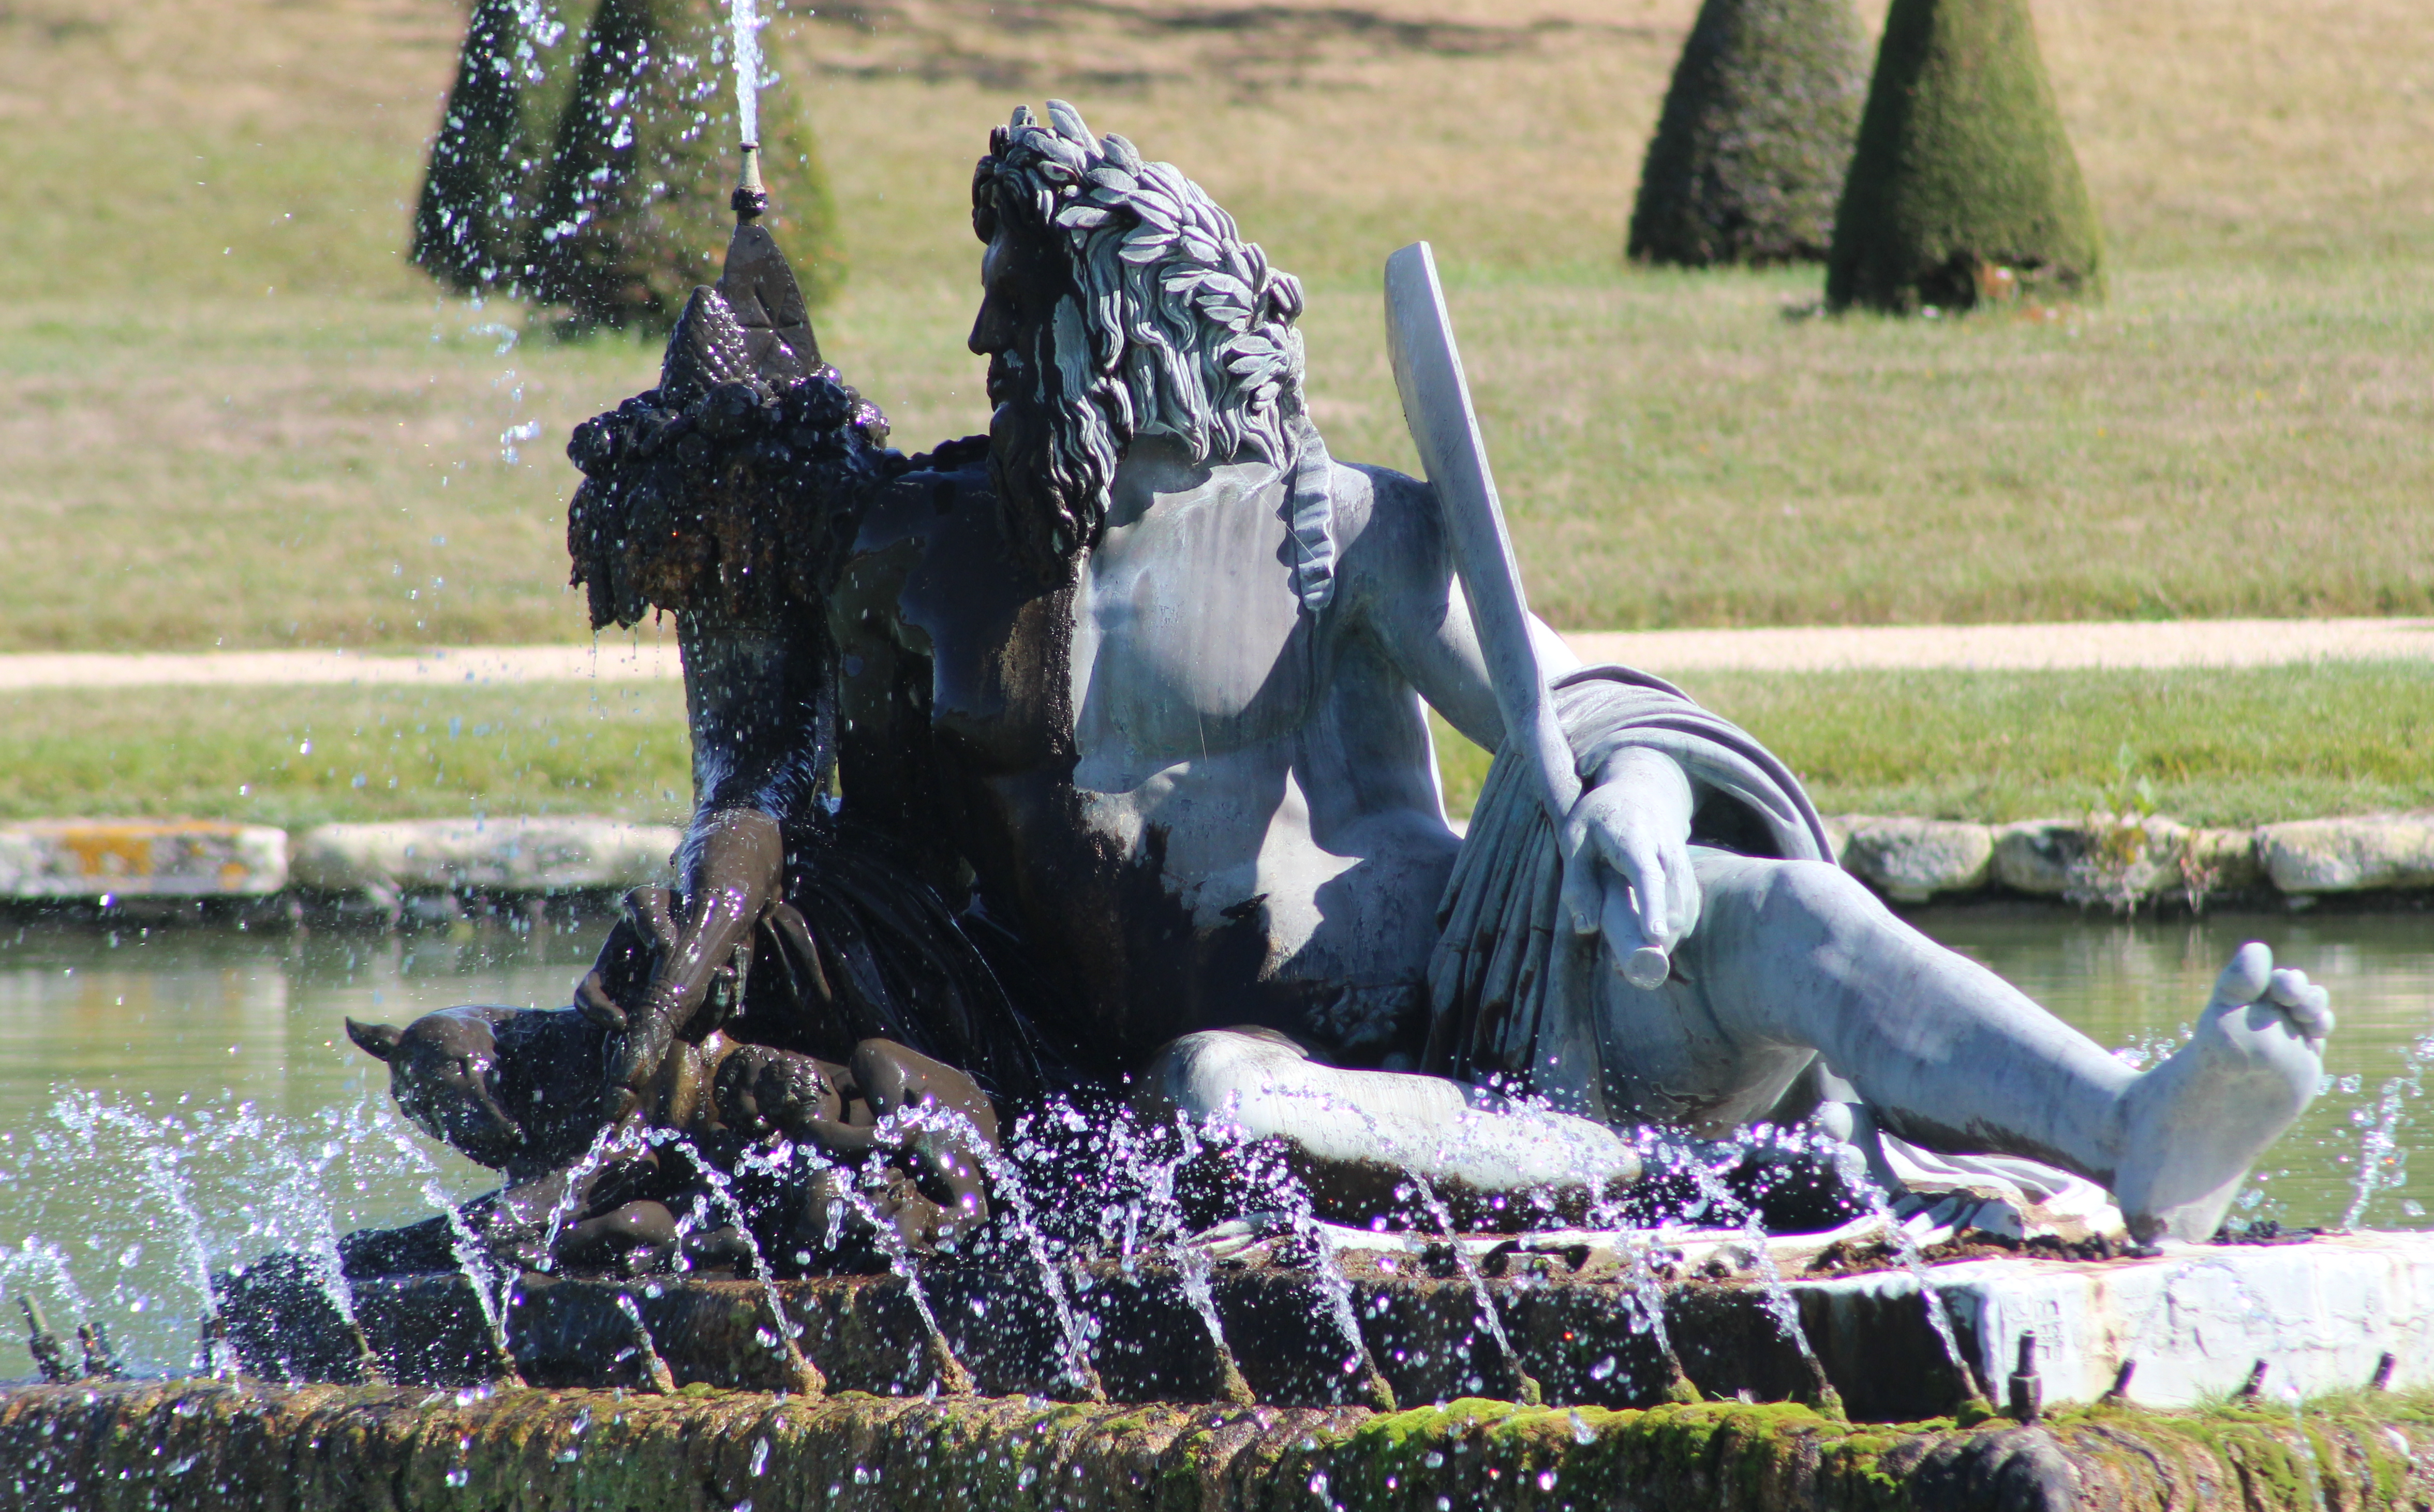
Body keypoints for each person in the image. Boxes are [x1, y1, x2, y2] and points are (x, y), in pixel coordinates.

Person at [567, 101, 2333, 1246]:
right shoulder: (968, 559)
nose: (980, 348)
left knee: (1781, 912)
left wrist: (1635, 810)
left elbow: (1585, 707)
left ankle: (2136, 1121)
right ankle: (1655, 1190)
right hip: (1294, 1074)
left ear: (1124, 319)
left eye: (1018, 305)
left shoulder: (1344, 526)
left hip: (1514, 991)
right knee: (1215, 1100)